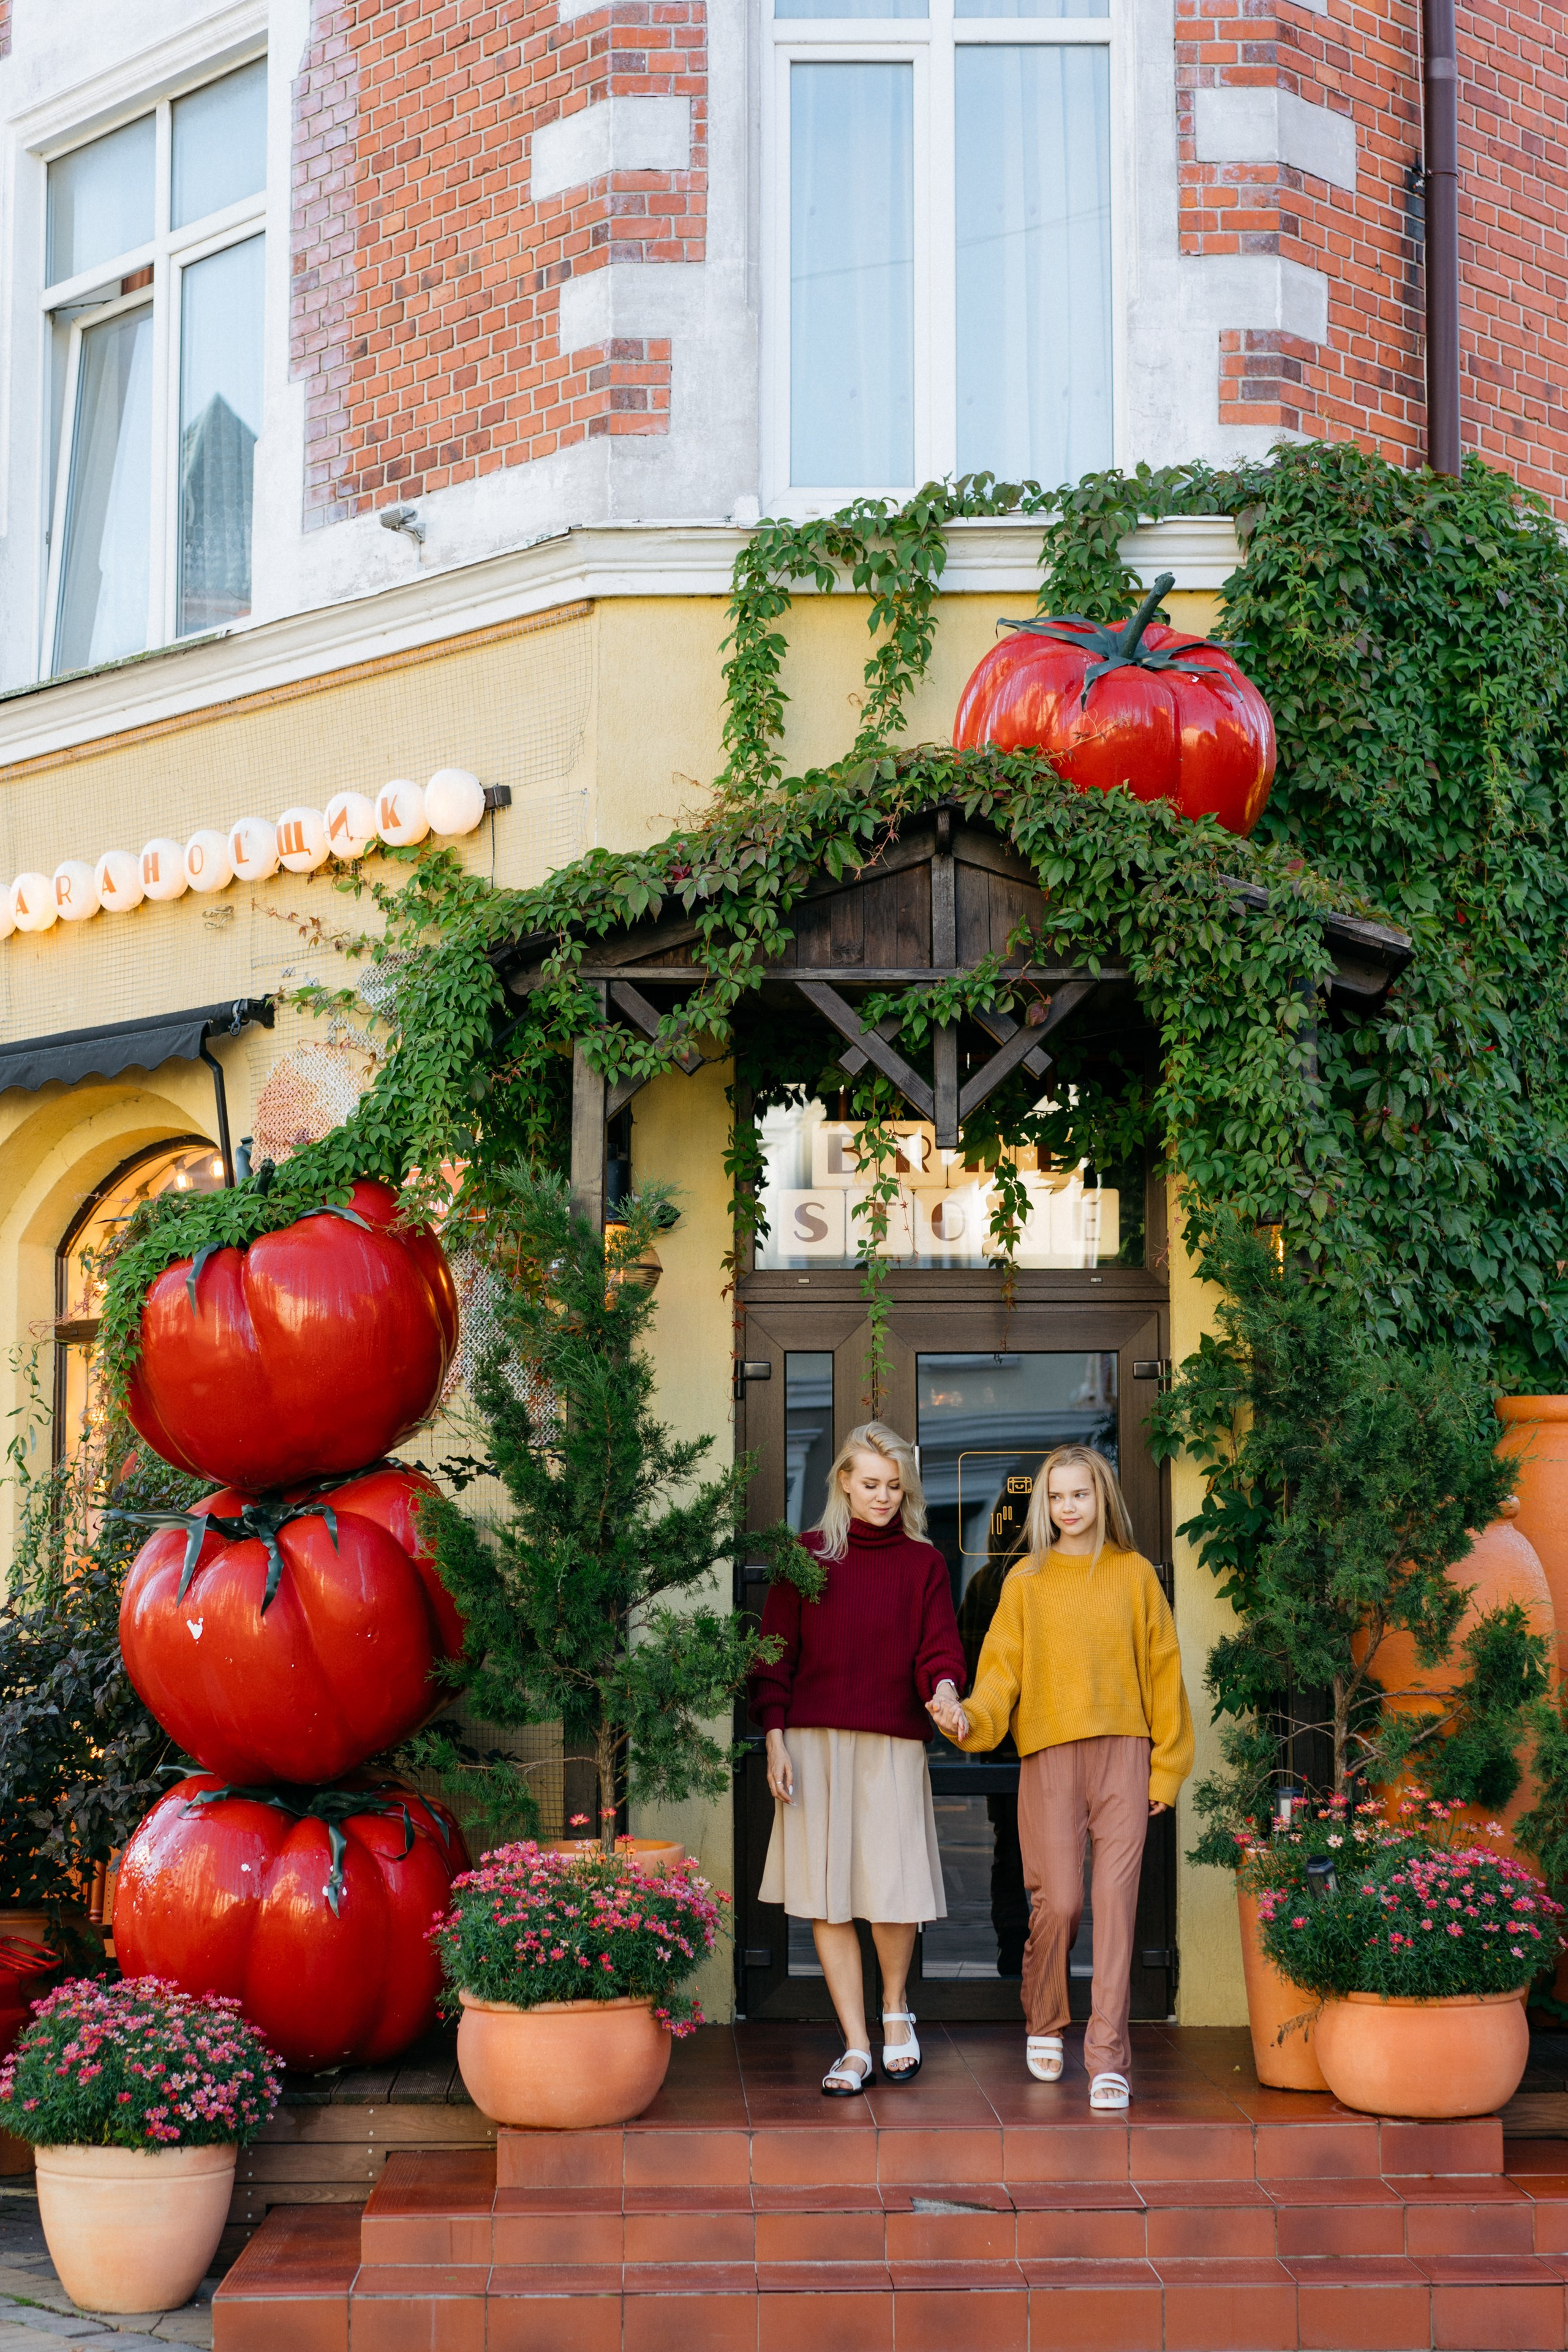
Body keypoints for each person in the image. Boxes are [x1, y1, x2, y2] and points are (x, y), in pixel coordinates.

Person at [927, 1445, 1193, 2111]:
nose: (1068, 1507)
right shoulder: (1025, 1582)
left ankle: (1108, 2054)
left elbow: (1165, 1674)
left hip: (1125, 1753)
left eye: (1080, 1494)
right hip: (1048, 1755)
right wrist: (965, 1719)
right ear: (1042, 1506)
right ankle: (1045, 2017)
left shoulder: (1135, 1575)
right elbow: (1000, 1677)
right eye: (1055, 1496)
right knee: (1061, 1902)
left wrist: (1166, 1767)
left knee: (1117, 1907)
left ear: (1103, 1498)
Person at [749, 1420, 967, 2096]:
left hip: (893, 1745)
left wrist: (944, 1690)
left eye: (894, 1487)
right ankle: (855, 2045)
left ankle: (895, 2010)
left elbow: (940, 1648)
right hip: (813, 1744)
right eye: (870, 1484)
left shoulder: (923, 1563)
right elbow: (774, 1658)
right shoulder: (805, 1557)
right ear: (843, 1481)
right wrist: (775, 1738)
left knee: (893, 1893)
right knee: (829, 1896)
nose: (882, 1497)